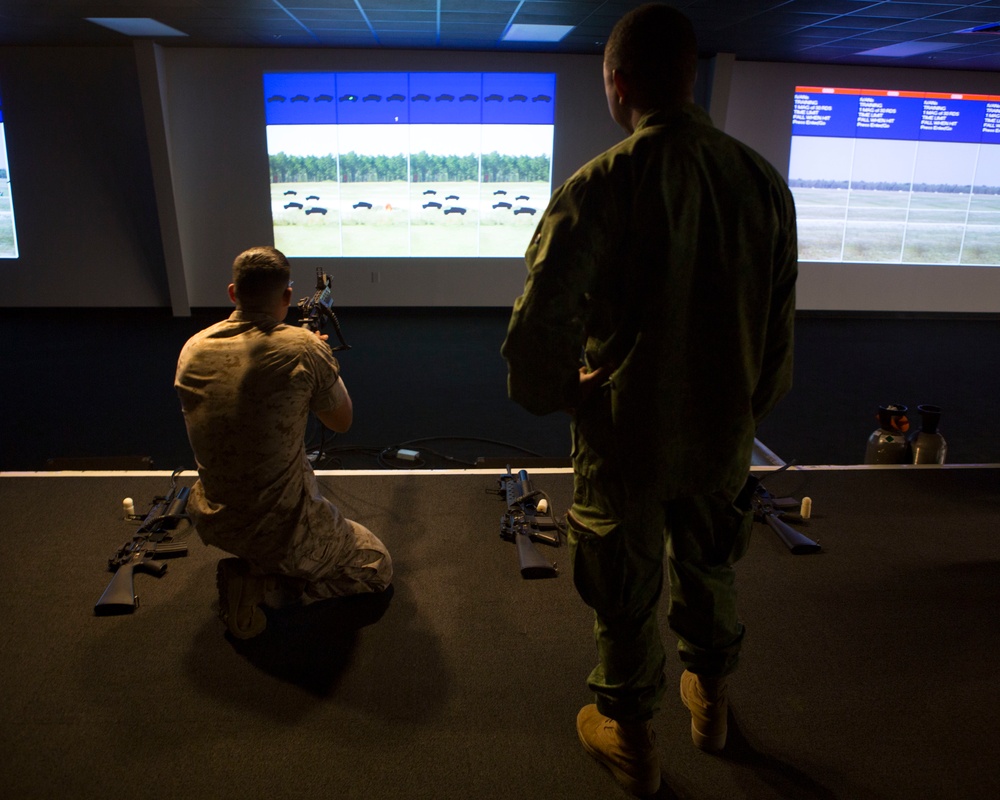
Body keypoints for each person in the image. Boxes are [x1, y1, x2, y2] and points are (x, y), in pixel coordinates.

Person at [501, 4, 797, 796]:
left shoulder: (599, 185)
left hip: (624, 436)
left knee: (623, 589)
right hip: (721, 432)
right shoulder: (763, 183)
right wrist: (741, 411)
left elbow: (537, 343)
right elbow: (777, 339)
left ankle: (632, 741)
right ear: (691, 75)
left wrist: (564, 394)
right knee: (710, 567)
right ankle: (712, 703)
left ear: (618, 83)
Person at [175, 245, 393, 640]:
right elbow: (341, 421)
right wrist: (319, 356)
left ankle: (260, 568)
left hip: (213, 517)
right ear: (287, 297)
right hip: (281, 530)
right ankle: (266, 590)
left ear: (232, 293)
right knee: (376, 565)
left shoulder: (193, 348)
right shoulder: (303, 349)